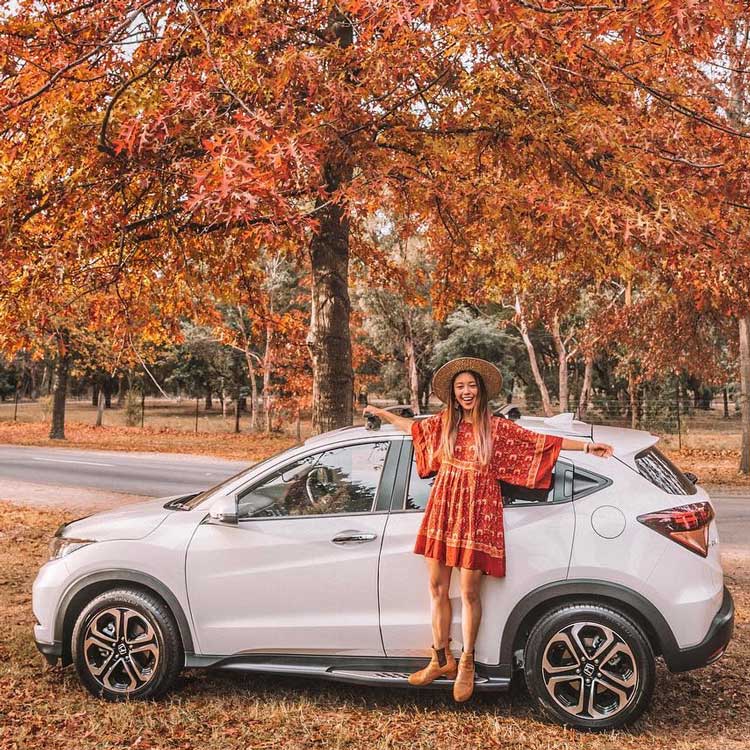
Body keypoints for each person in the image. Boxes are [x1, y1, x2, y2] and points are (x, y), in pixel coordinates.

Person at [363, 356, 614, 702]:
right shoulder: (445, 423)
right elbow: (414, 430)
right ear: (453, 393)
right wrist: (383, 415)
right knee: (436, 587)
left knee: (468, 592)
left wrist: (587, 446)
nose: (466, 392)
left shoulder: (495, 428)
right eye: (460, 386)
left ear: (480, 391)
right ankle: (441, 658)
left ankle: (467, 661)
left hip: (478, 512)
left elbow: (538, 442)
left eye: (471, 386)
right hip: (444, 508)